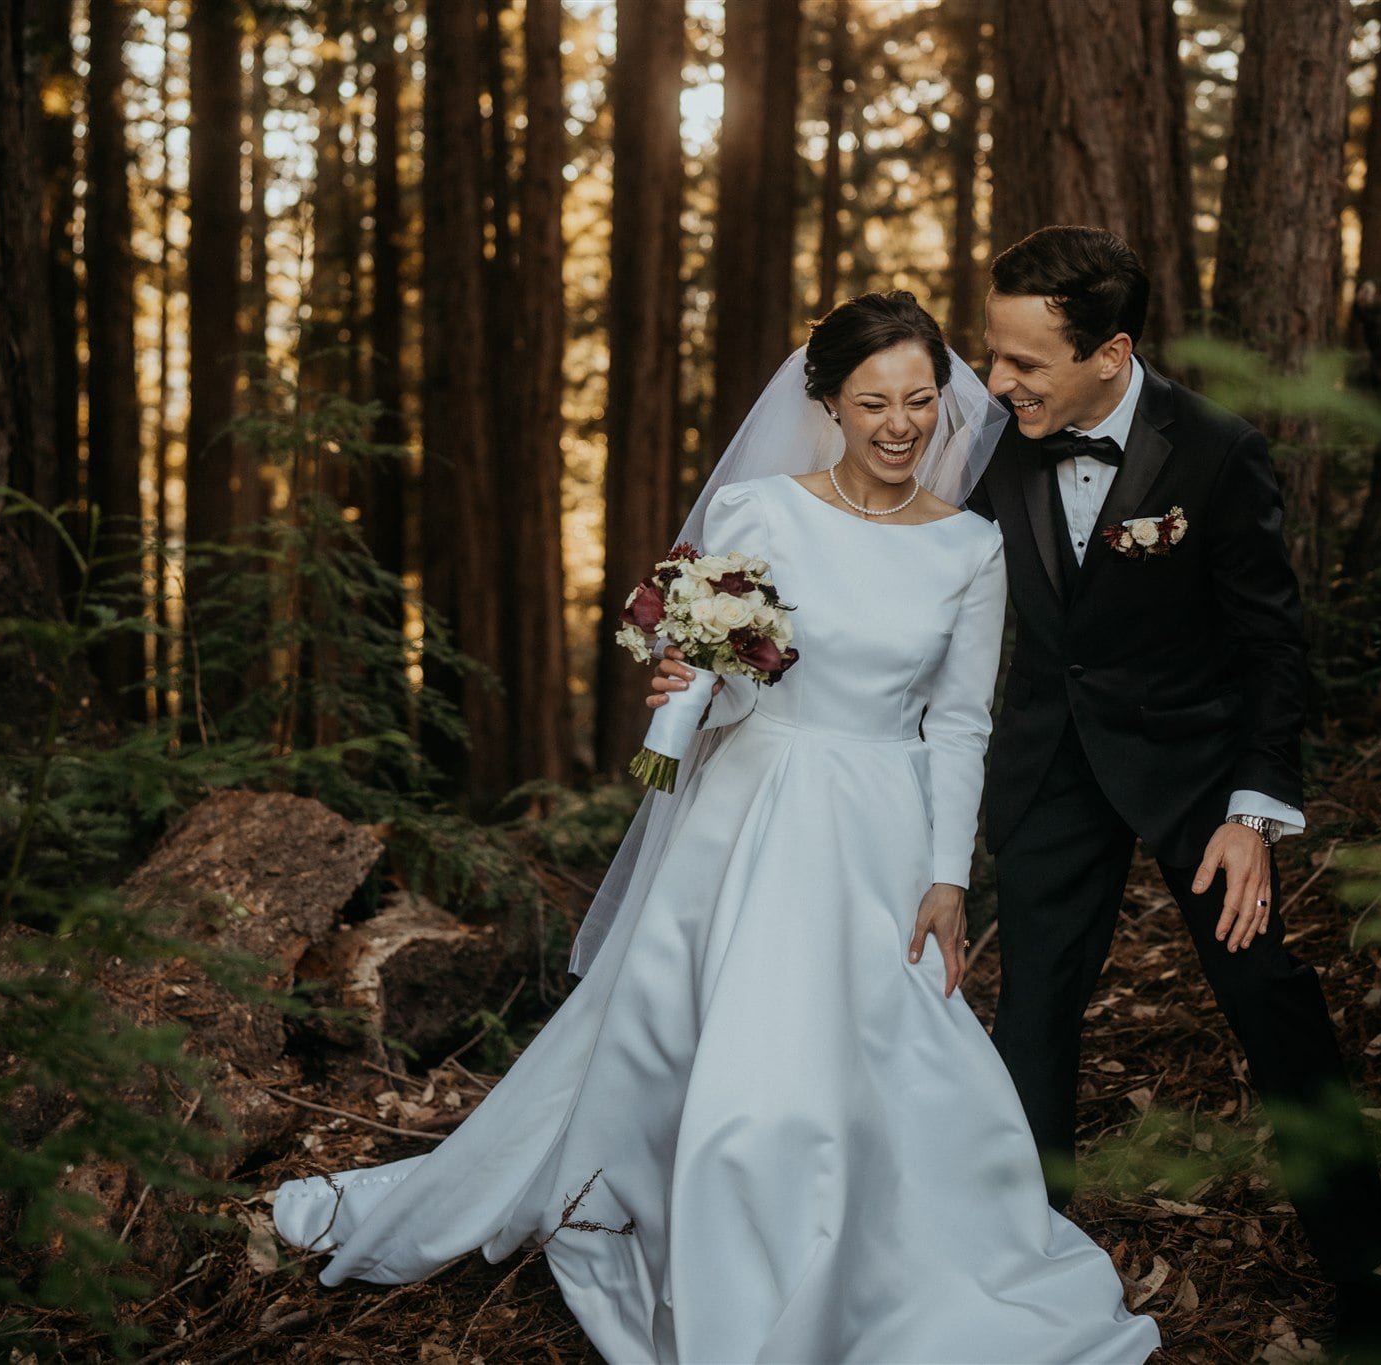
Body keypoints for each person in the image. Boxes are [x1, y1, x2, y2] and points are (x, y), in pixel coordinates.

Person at [272, 291, 1160, 1364]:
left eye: (919, 400)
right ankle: (727, 1247)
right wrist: (693, 690)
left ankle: (890, 1255)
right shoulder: (756, 513)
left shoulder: (969, 548)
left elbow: (960, 720)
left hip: (878, 826)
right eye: (872, 401)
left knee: (885, 1051)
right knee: (731, 1055)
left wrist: (944, 875)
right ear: (827, 402)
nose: (899, 425)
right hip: (747, 815)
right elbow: (736, 686)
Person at [968, 226, 1381, 1358]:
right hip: (1049, 770)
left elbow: (1272, 642)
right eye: (990, 354)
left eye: (1023, 362)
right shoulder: (985, 444)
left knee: (1273, 1007)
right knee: (1029, 1028)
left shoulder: (1214, 450)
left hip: (1203, 780)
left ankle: (1368, 1291)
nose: (994, 381)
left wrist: (1254, 813)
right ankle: (1027, 1293)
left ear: (1108, 354)